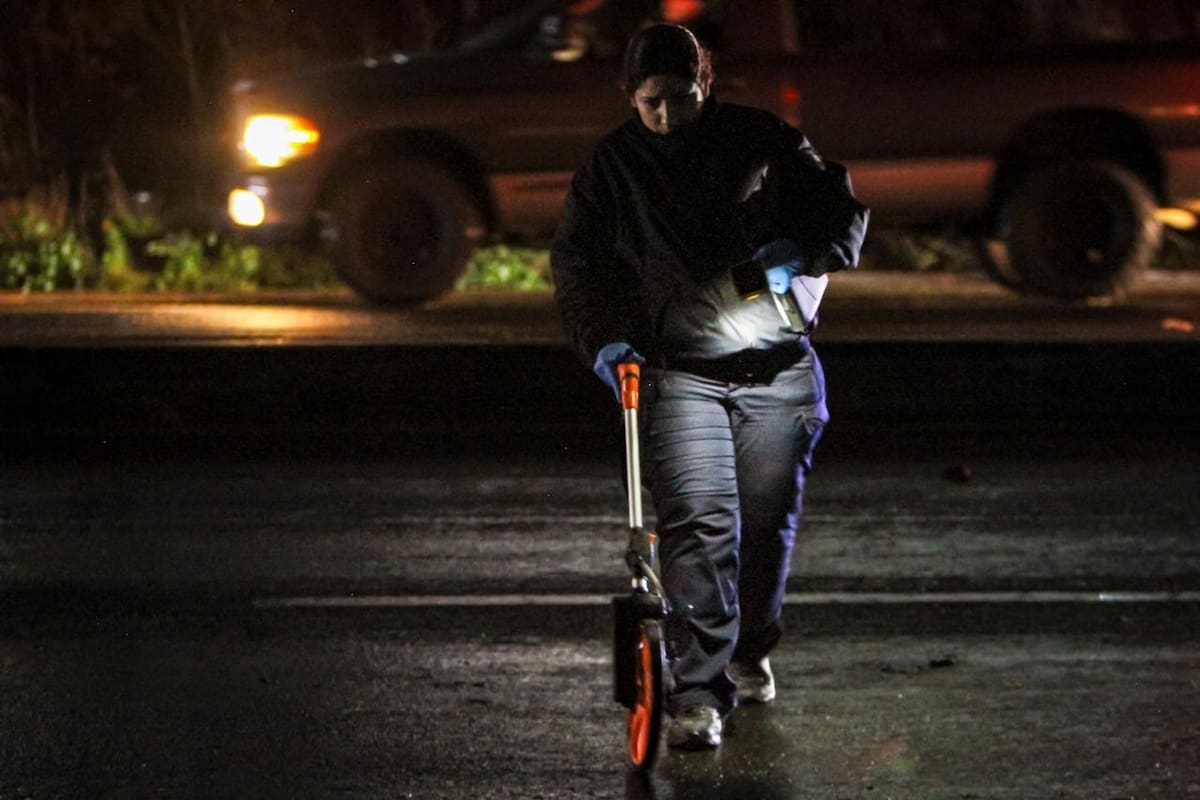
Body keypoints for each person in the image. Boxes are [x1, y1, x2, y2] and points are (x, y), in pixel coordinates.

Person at [551, 23, 868, 750]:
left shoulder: (763, 141)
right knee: (698, 528)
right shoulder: (611, 168)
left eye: (682, 98)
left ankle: (749, 648)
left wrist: (800, 254)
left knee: (763, 529)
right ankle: (697, 691)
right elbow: (580, 269)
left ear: (707, 83)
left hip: (777, 370)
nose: (668, 116)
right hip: (679, 373)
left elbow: (841, 215)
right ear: (630, 96)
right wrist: (605, 343)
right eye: (652, 102)